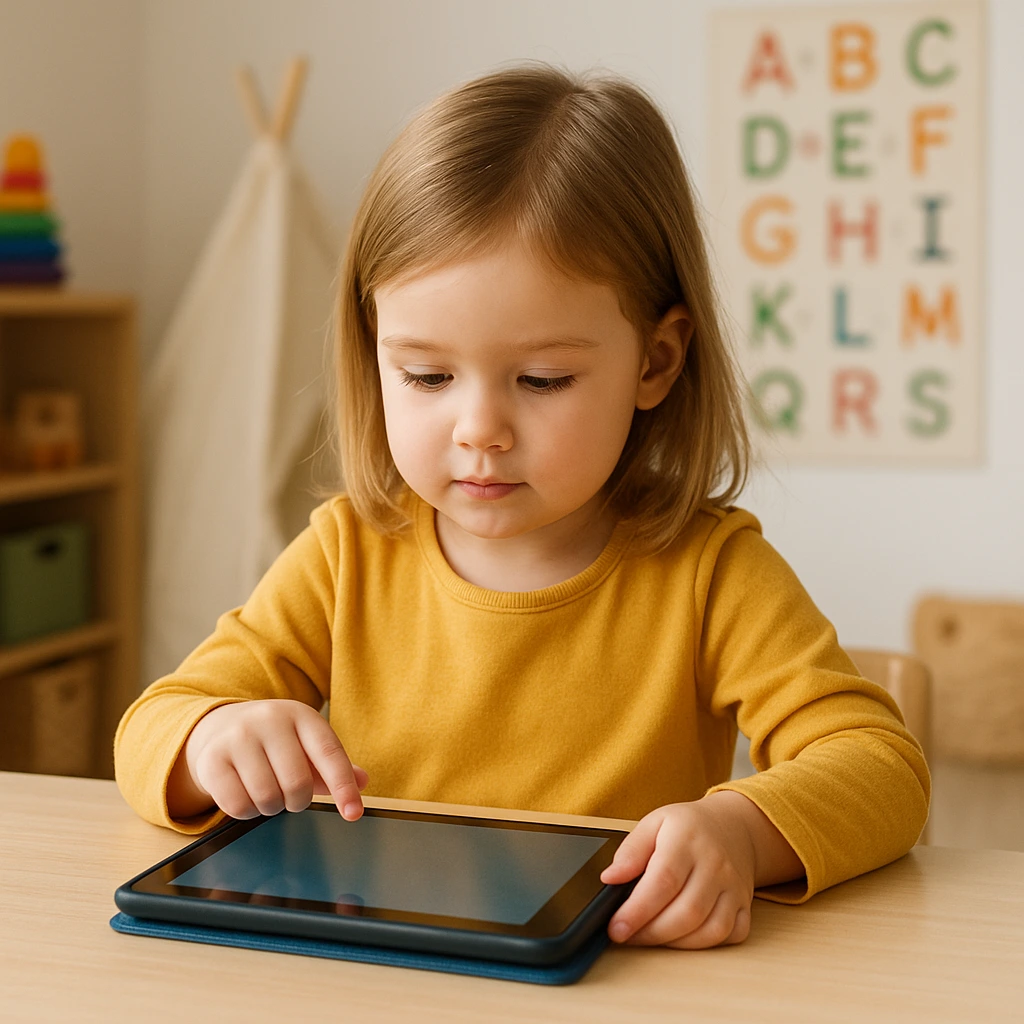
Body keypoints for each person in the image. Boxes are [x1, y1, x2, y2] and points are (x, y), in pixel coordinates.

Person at [115, 63, 930, 951]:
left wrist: (741, 828)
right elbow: (149, 726)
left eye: (542, 379)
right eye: (426, 375)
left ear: (655, 363)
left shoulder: (710, 572)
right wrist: (214, 737)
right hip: (378, 973)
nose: (479, 431)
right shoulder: (347, 553)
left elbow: (882, 768)